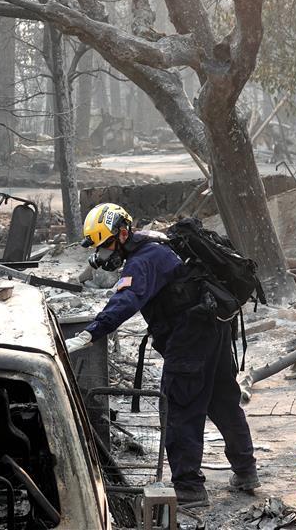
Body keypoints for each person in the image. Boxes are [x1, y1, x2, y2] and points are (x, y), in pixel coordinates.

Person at [65, 203, 259, 507]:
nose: (103, 255)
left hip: (191, 335)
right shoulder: (157, 241)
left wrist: (91, 332)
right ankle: (246, 470)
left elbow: (127, 299)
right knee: (223, 399)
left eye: (106, 245)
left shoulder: (143, 260)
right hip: (215, 326)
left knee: (181, 405)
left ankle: (189, 488)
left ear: (124, 233)